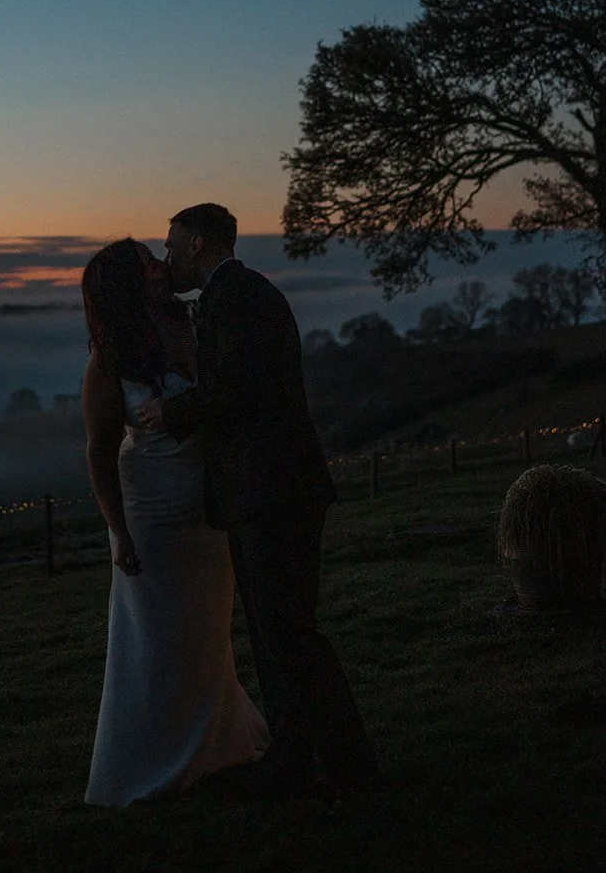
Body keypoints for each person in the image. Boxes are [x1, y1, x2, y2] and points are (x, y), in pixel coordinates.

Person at [138, 203, 380, 800]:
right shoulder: (236, 295)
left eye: (171, 245)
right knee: (277, 637)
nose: (166, 255)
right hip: (264, 492)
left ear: (197, 244)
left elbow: (236, 389)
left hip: (273, 492)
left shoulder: (240, 298)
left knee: (291, 634)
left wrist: (170, 411)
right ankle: (295, 759)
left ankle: (350, 768)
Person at [80, 237, 268, 807]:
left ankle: (215, 748)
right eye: (145, 264)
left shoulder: (192, 324)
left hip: (208, 511)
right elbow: (98, 452)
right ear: (125, 283)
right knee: (157, 644)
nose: (160, 268)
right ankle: (150, 764)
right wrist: (118, 531)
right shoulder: (110, 360)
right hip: (153, 517)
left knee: (207, 635)